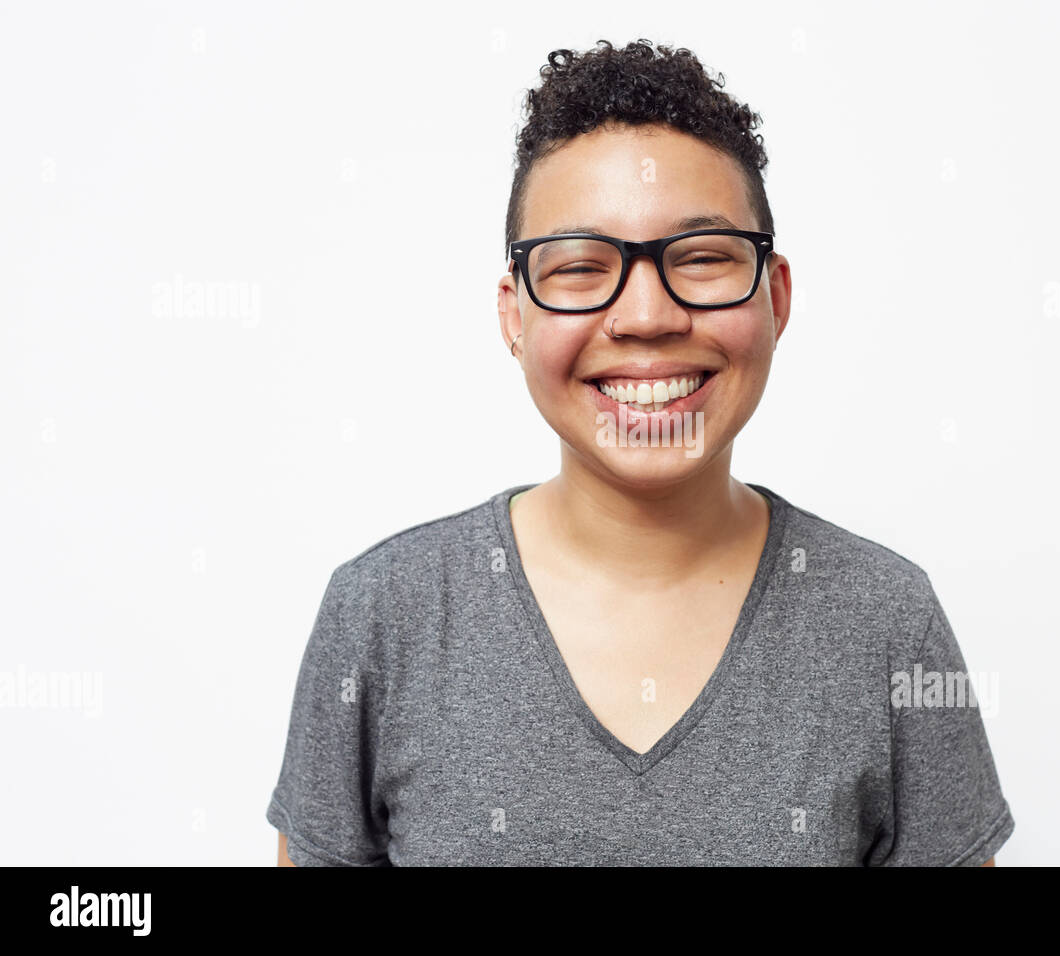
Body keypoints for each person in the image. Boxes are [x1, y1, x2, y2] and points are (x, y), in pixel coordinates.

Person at [267, 38, 1014, 866]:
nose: (647, 315)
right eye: (584, 267)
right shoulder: (380, 616)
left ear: (776, 298)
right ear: (514, 316)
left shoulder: (886, 623)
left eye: (699, 259)